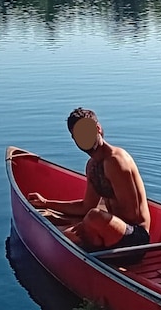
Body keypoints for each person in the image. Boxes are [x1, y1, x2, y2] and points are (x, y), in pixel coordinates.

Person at [27, 108, 151, 252]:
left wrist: (84, 225)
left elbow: (131, 214)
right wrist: (46, 203)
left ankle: (87, 246)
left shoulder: (115, 161)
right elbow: (86, 206)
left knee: (92, 217)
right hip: (111, 233)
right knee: (69, 229)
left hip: (135, 239)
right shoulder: (92, 166)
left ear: (98, 129)